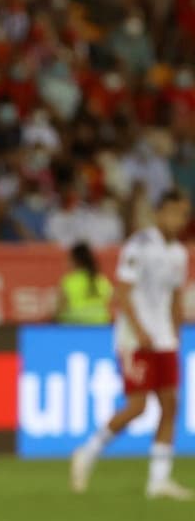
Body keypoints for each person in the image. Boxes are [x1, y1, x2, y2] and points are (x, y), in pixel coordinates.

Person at [70, 189, 192, 499]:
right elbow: (122, 291)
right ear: (159, 212)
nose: (179, 220)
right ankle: (87, 453)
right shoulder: (140, 245)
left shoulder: (179, 253)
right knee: (137, 407)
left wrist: (175, 333)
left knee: (170, 406)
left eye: (184, 214)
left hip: (164, 339)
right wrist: (139, 331)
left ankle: (158, 481)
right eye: (175, 213)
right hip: (134, 340)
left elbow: (176, 297)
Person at [55, 242, 113, 324]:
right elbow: (111, 306)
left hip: (75, 327)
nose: (67, 263)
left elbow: (60, 309)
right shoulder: (101, 280)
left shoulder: (69, 281)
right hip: (100, 326)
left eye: (69, 260)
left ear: (75, 261)